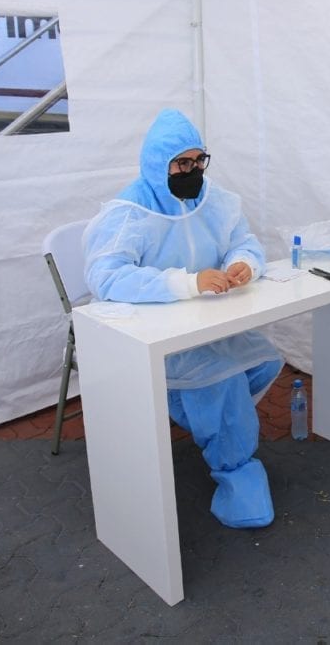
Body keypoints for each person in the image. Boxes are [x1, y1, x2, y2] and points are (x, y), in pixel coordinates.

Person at [84, 108, 285, 529]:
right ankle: (235, 471)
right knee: (221, 380)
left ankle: (214, 422)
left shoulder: (213, 199)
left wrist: (244, 263)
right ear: (159, 164)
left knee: (264, 360)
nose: (193, 171)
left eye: (198, 160)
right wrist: (186, 283)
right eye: (182, 163)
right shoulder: (131, 210)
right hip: (155, 328)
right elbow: (107, 276)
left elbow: (243, 240)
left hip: (208, 319)